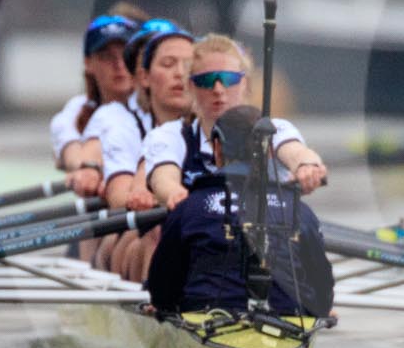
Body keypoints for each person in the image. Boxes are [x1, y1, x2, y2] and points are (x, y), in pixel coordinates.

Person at [145, 105, 335, 321]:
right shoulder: (300, 212)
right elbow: (323, 292)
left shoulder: (189, 209)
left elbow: (161, 290)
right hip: (289, 323)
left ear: (217, 148)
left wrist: (165, 309)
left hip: (208, 320)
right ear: (270, 152)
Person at [137, 33, 328, 210]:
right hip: (197, 233)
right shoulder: (170, 135)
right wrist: (173, 193)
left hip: (262, 237)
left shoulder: (273, 128)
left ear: (245, 84)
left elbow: (297, 153)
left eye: (229, 79)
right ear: (190, 86)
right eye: (206, 80)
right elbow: (163, 176)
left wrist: (307, 167)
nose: (218, 89)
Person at [86, 21, 195, 274]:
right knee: (156, 233)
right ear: (142, 75)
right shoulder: (121, 120)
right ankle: (154, 302)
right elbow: (119, 198)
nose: (180, 73)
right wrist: (144, 194)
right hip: (135, 231)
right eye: (167, 64)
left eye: (189, 65)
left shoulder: (213, 124)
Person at [51, 10, 141, 198]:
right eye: (107, 56)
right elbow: (69, 148)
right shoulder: (77, 108)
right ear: (88, 63)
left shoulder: (155, 106)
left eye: (125, 54)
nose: (119, 64)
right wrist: (87, 169)